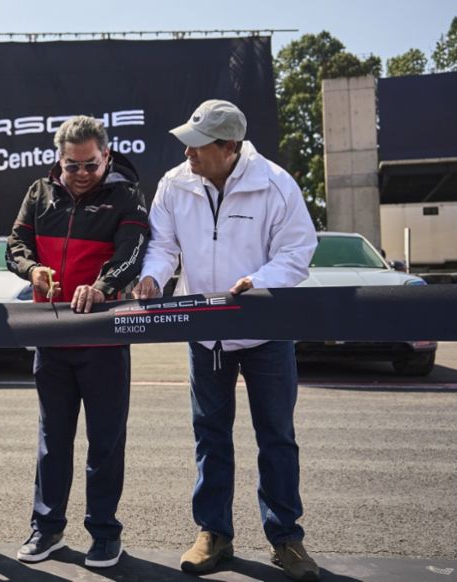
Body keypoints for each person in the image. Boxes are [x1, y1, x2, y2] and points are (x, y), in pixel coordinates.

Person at [133, 99, 320, 581]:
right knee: (210, 436)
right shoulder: (175, 184)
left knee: (276, 436)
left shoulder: (275, 184)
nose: (188, 152)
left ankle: (286, 539)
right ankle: (213, 532)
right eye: (188, 142)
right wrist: (154, 278)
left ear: (230, 147)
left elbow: (299, 250)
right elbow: (163, 246)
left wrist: (256, 281)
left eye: (199, 145)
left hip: (266, 333)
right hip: (205, 333)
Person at [6, 116, 149, 569]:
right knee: (53, 439)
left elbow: (132, 251)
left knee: (105, 441)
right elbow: (15, 245)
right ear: (58, 160)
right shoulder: (38, 192)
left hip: (103, 339)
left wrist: (102, 286)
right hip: (51, 337)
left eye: (90, 164)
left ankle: (104, 533)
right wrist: (32, 271)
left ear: (105, 156)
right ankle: (46, 529)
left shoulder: (126, 194)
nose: (82, 174)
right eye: (72, 166)